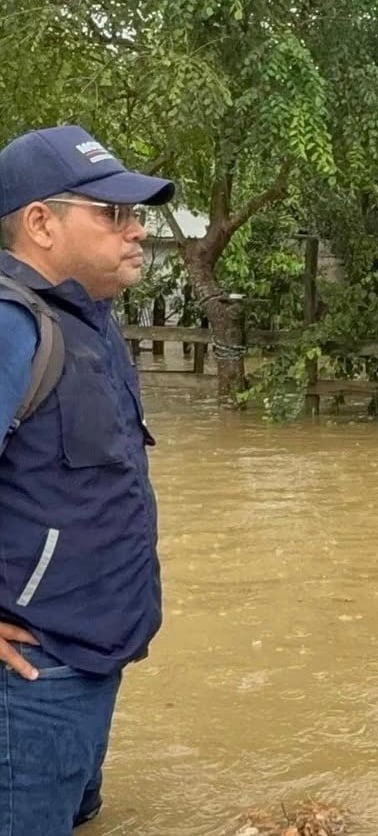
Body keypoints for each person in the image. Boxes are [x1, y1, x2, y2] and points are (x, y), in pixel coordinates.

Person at [0, 125, 173, 833]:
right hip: (32, 679)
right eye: (113, 213)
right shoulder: (12, 328)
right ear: (41, 222)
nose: (136, 231)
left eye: (135, 214)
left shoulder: (88, 320)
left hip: (95, 653)